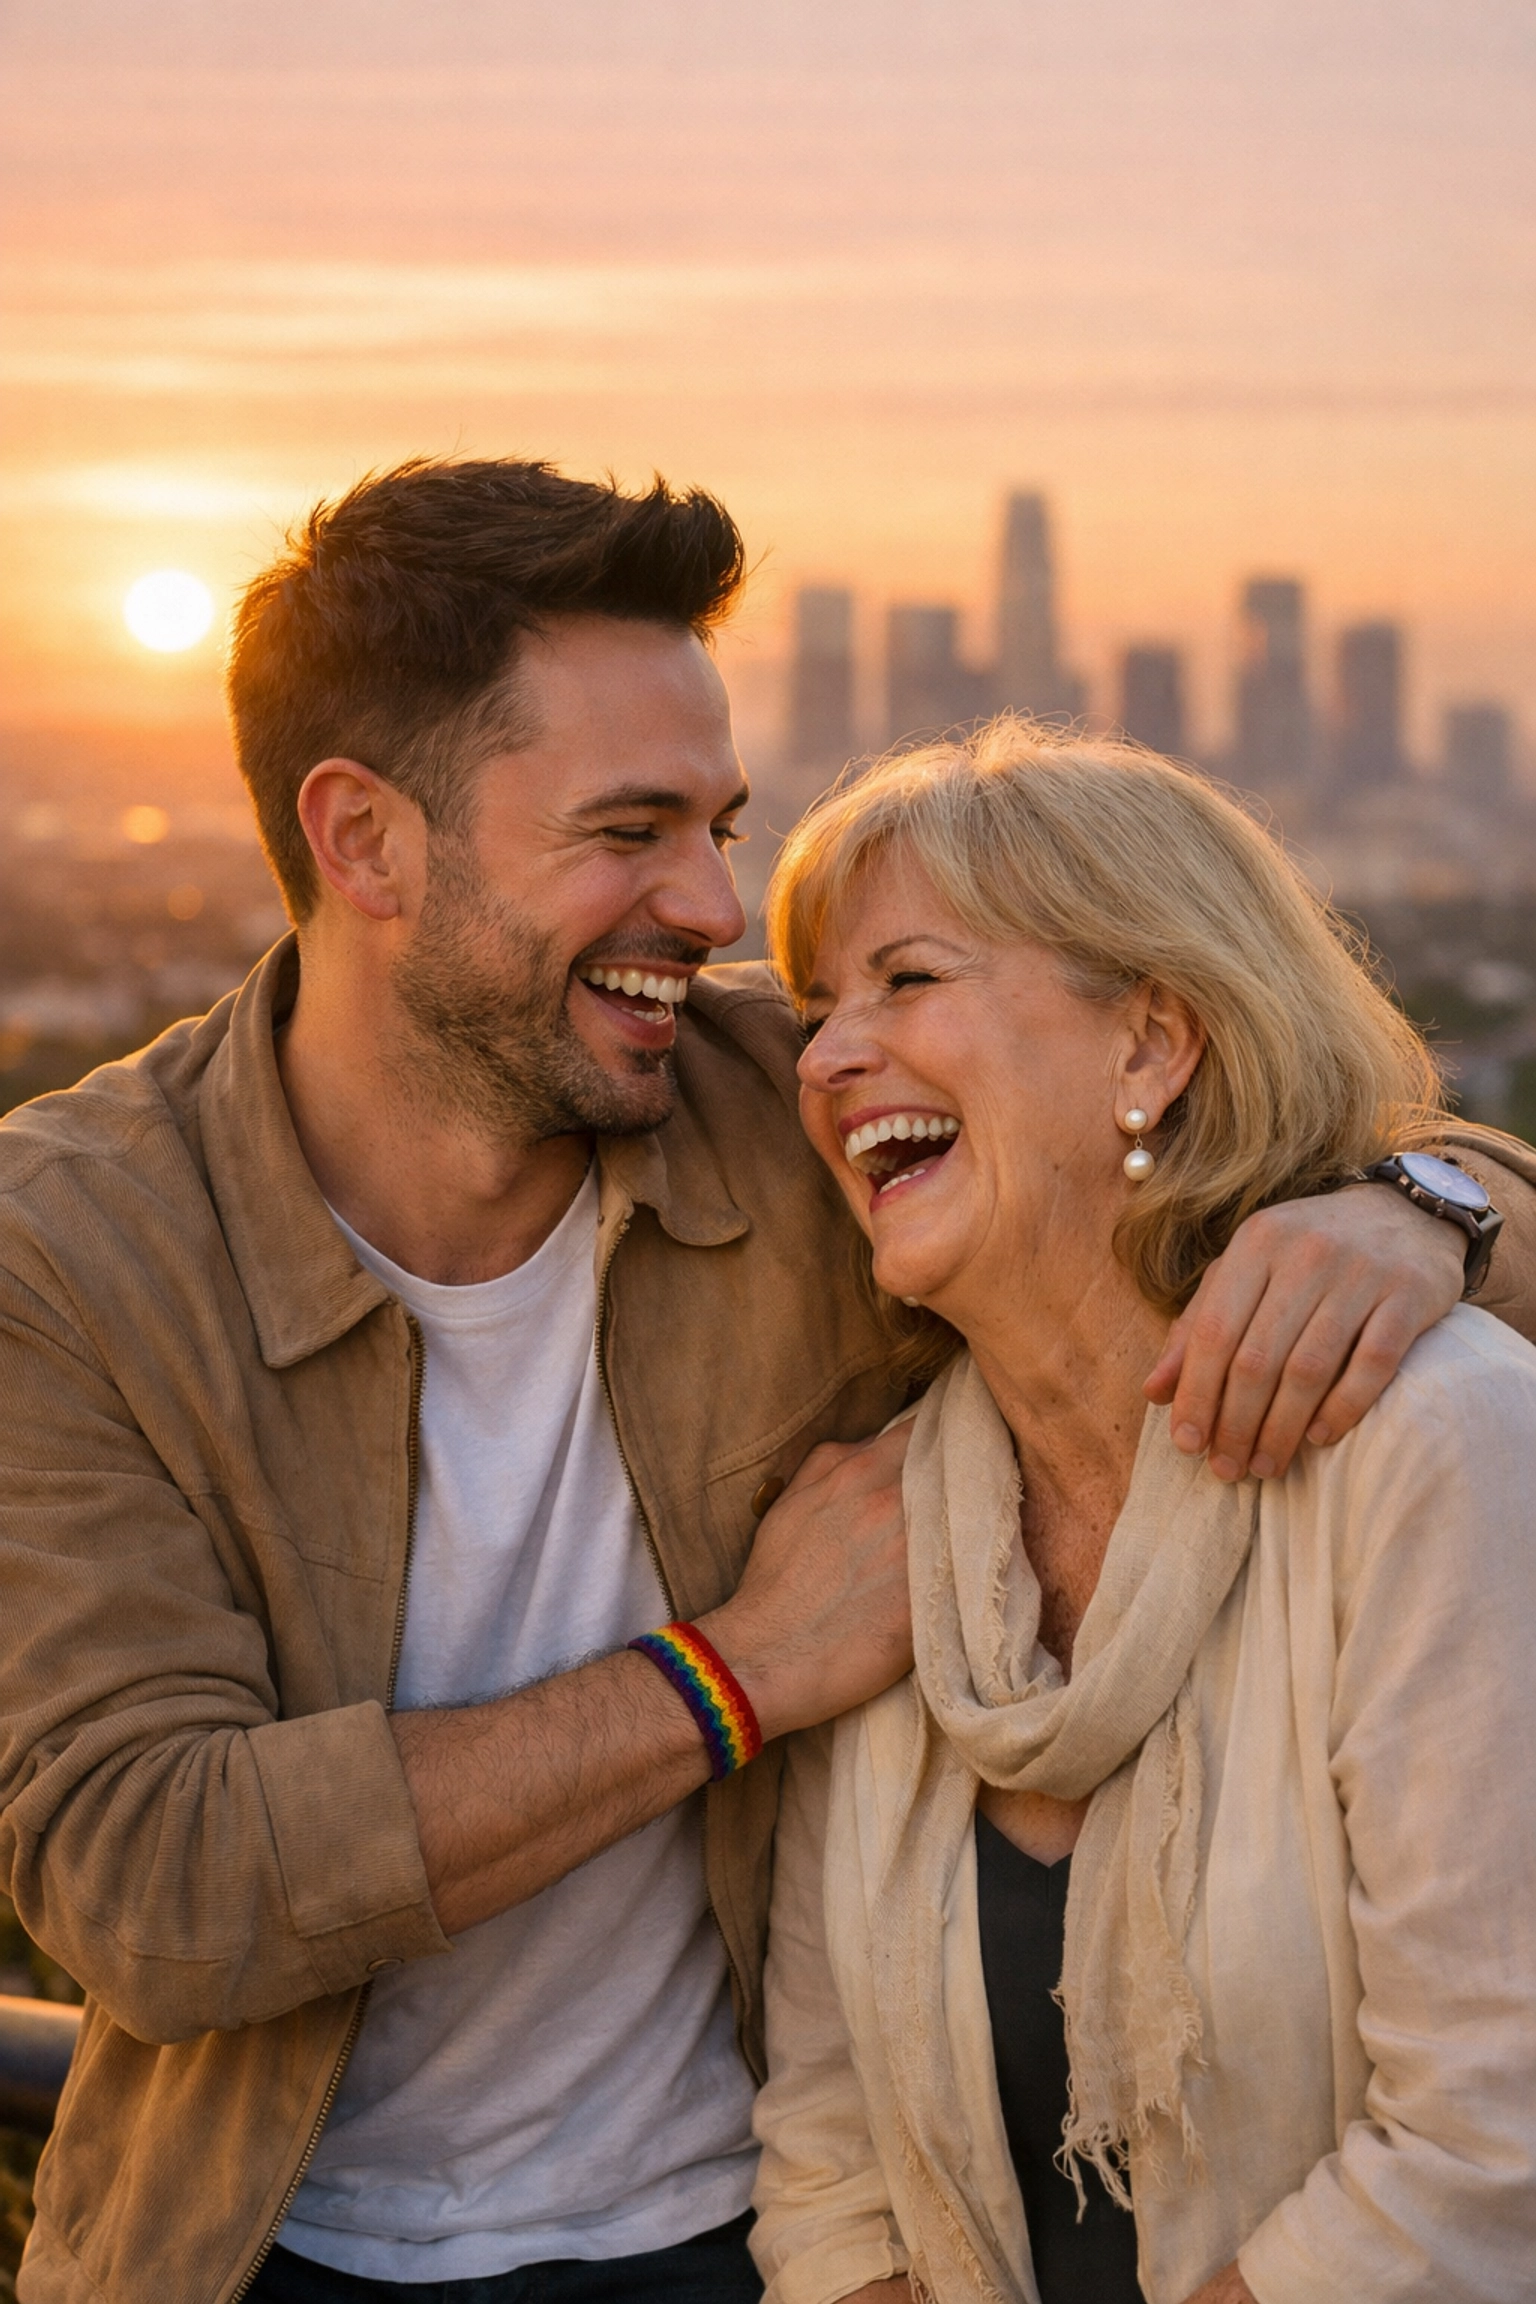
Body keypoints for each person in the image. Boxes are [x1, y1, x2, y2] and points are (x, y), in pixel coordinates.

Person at [0, 463, 1525, 2304]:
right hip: (255, 2246)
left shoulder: (772, 1108)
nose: (716, 907)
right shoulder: (68, 1255)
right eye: (632, 829)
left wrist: (1423, 1203)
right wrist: (733, 1674)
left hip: (732, 2241)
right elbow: (150, 1882)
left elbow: (1199, 1116)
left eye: (722, 824)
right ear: (366, 839)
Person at [748, 721, 1536, 2304]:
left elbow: (1489, 2142)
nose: (826, 1059)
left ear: (1152, 1045)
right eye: (819, 1009)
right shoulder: (885, 1529)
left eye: (906, 981)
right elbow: (824, 2157)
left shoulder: (1433, 1443)